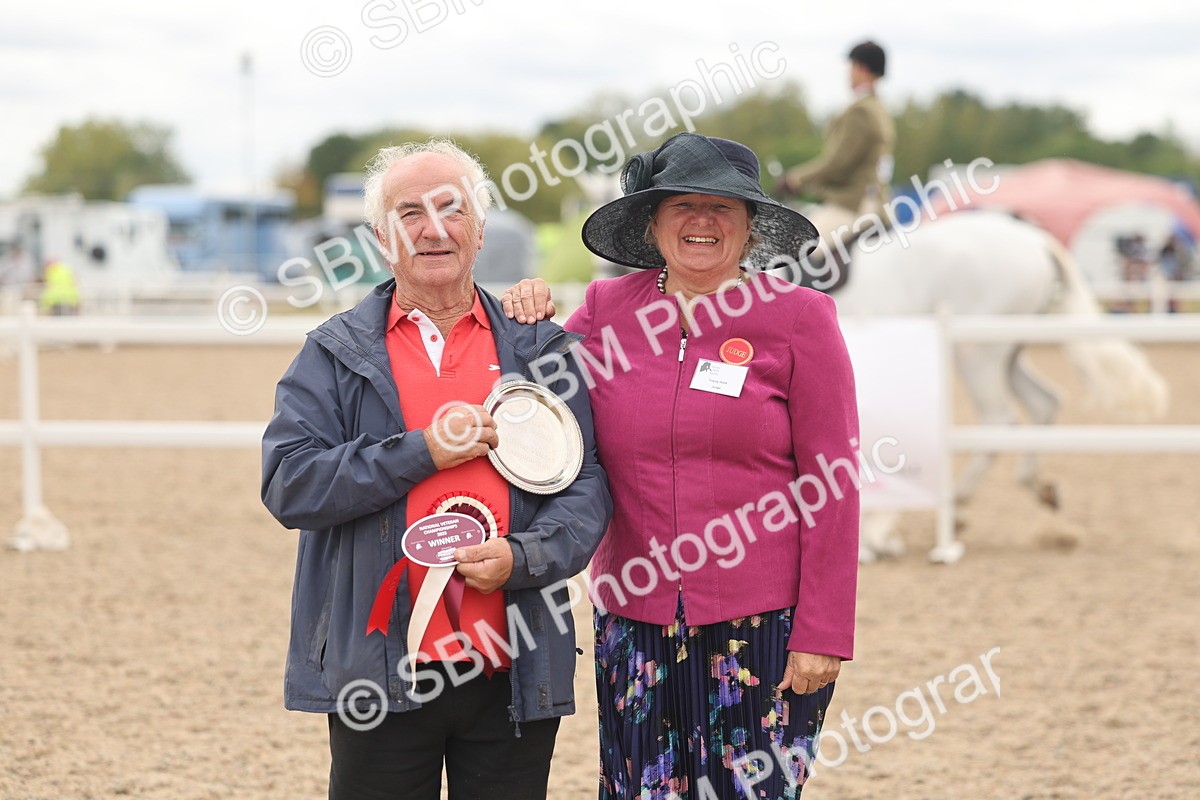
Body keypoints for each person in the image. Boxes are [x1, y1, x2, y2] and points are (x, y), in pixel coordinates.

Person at [503, 132, 860, 798]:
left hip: (764, 628)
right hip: (633, 619)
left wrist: (824, 632)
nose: (701, 221)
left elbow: (833, 485)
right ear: (653, 221)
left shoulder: (801, 319)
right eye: (682, 205)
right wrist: (524, 314)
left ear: (750, 226)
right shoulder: (606, 313)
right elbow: (529, 407)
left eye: (722, 206)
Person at [261, 139, 613, 800]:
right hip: (378, 671)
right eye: (408, 213)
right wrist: (419, 451)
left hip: (513, 666)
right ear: (380, 238)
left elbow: (586, 481)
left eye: (451, 209)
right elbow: (290, 483)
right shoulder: (332, 355)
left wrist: (527, 556)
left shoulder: (538, 346)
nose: (432, 228)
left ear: (479, 229)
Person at [783, 40, 895, 252]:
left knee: (797, 245)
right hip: (875, 199)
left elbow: (838, 162)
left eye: (851, 68)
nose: (848, 74)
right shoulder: (879, 108)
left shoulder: (861, 111)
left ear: (861, 69)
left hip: (854, 203)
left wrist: (796, 179)